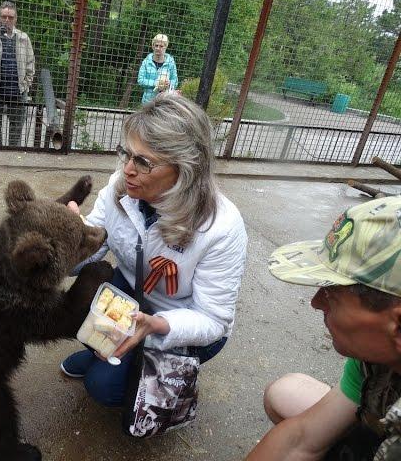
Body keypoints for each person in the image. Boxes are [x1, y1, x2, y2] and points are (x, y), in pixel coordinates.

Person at [60, 92, 248, 412]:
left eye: (143, 162)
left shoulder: (222, 227)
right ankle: (99, 353)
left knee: (102, 387)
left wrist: (159, 325)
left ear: (185, 169)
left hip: (179, 320)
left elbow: (213, 320)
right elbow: (88, 254)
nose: (127, 170)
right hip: (132, 292)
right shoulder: (123, 186)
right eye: (127, 154)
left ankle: (166, 378)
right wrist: (67, 237)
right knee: (85, 300)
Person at [245, 197, 401, 460]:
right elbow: (301, 438)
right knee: (285, 393)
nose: (315, 303)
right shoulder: (378, 357)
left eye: (332, 295)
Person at [0, 1, 35, 147]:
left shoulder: (24, 38)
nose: (7, 20)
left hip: (18, 91)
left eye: (10, 17)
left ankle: (12, 156)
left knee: (16, 129)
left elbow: (31, 64)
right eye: (4, 17)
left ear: (16, 19)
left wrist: (26, 83)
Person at [137, 34, 179, 105]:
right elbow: (140, 80)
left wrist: (168, 84)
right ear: (153, 46)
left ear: (166, 47)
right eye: (156, 45)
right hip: (148, 102)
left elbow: (175, 81)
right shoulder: (146, 62)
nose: (158, 48)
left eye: (161, 46)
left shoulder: (171, 63)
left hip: (164, 102)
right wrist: (156, 83)